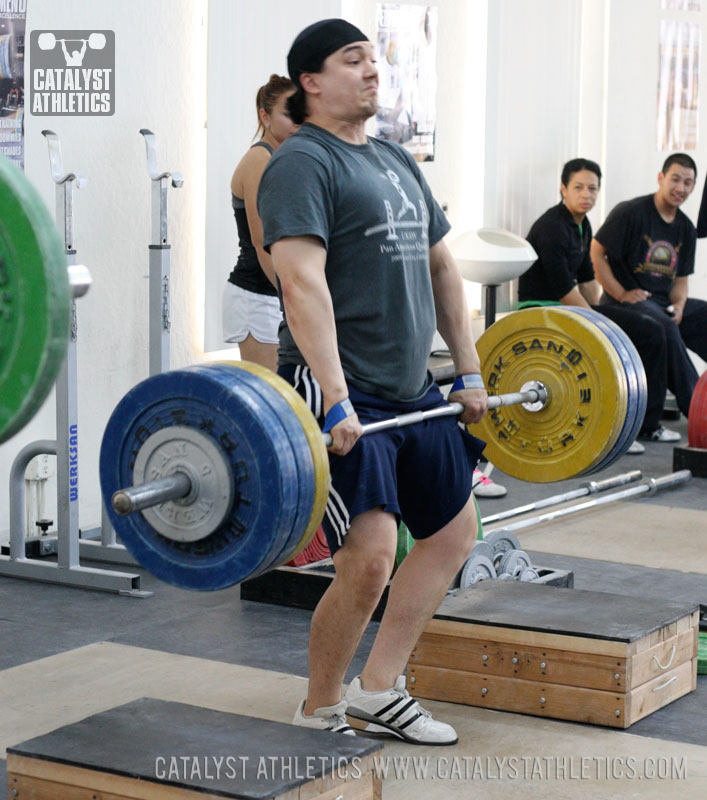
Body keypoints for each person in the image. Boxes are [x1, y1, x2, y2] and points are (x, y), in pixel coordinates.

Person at [258, 19, 488, 745]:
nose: (371, 71)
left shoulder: (396, 160)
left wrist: (470, 367)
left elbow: (442, 269)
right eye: (351, 60)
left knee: (453, 533)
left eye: (372, 59)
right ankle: (320, 705)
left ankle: (379, 689)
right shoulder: (302, 163)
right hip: (345, 387)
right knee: (369, 559)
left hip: (411, 387)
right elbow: (300, 281)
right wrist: (333, 395)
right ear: (311, 83)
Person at [519, 158, 678, 447]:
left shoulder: (583, 224)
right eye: (578, 187)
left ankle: (645, 425)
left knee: (651, 329)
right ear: (563, 189)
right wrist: (601, 323)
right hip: (543, 308)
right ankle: (620, 428)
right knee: (628, 333)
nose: (586, 195)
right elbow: (564, 289)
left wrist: (610, 312)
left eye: (592, 189)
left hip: (567, 306)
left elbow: (587, 280)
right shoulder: (552, 227)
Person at [591, 153, 707, 426]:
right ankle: (698, 410)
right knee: (665, 326)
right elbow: (596, 254)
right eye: (675, 179)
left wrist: (679, 305)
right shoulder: (631, 212)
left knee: (702, 315)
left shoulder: (686, 228)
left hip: (662, 302)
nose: (680, 188)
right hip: (625, 303)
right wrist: (620, 293)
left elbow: (680, 281)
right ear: (661, 178)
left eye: (688, 183)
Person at [222, 75, 299, 372]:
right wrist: (288, 297)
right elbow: (262, 241)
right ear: (265, 116)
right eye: (288, 113)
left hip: (280, 293)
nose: (297, 121)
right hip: (257, 295)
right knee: (271, 398)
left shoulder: (287, 159)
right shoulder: (259, 160)